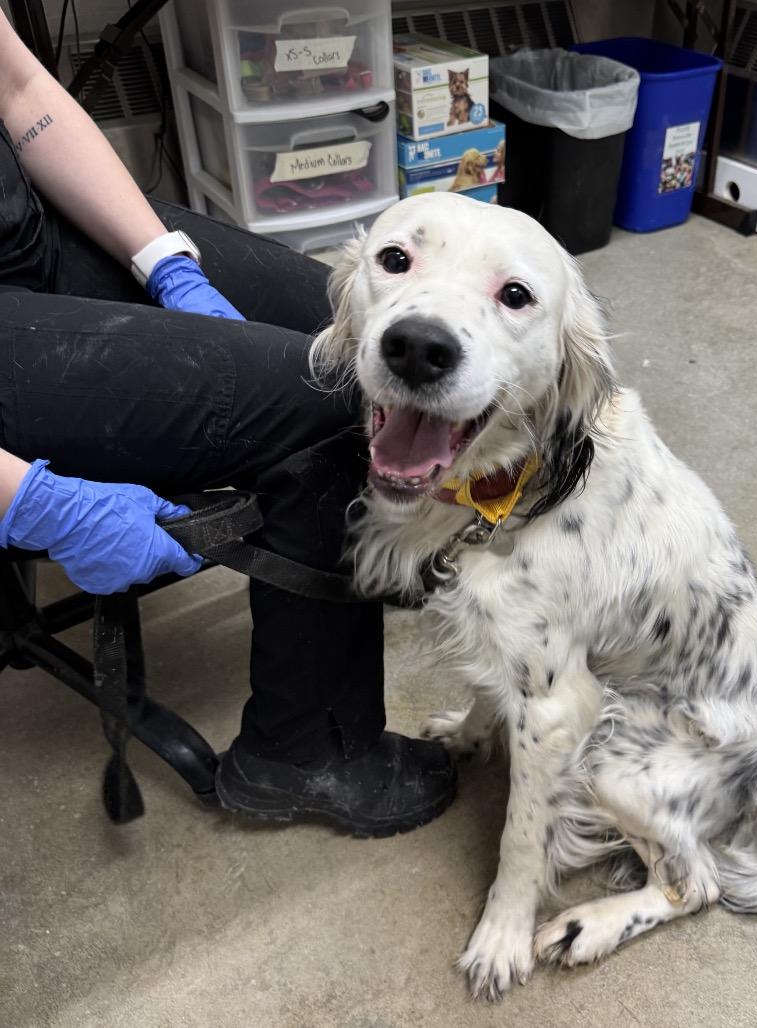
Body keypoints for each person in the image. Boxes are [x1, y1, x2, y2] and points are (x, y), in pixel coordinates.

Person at [0, 14, 455, 836]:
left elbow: (18, 87)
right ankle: (305, 753)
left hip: (29, 238)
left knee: (341, 323)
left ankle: (378, 552)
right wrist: (22, 497)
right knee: (324, 404)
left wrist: (162, 260)